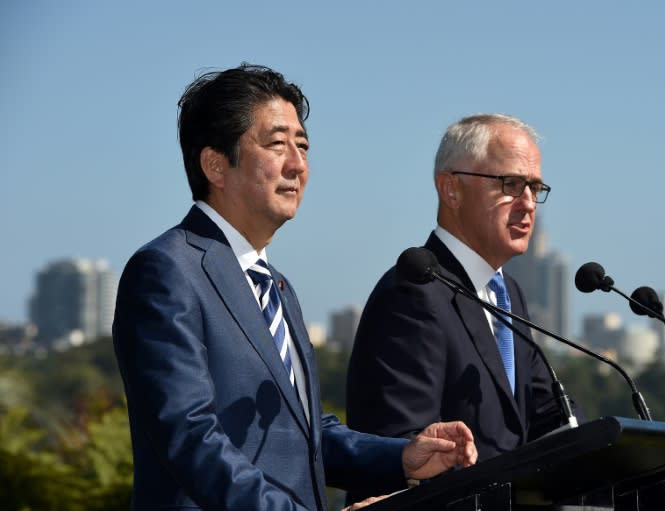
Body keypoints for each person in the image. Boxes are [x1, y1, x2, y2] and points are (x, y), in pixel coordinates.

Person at [112, 63, 477, 511]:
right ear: (215, 165)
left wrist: (402, 456)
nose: (298, 164)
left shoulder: (277, 286)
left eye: (302, 146)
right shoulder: (167, 271)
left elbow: (308, 432)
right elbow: (191, 439)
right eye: (277, 144)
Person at [346, 114, 582, 499]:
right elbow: (401, 449)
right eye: (510, 184)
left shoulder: (509, 294)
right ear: (451, 189)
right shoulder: (413, 293)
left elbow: (548, 416)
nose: (527, 204)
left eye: (535, 187)